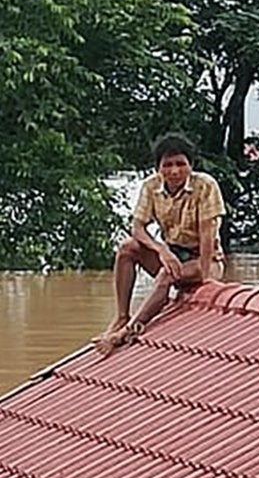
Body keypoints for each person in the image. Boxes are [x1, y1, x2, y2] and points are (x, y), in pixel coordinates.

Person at [93, 133, 227, 353]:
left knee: (167, 275)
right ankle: (121, 316)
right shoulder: (151, 186)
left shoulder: (205, 186)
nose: (175, 171)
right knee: (127, 248)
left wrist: (204, 276)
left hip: (204, 259)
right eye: (168, 165)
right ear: (158, 168)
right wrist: (161, 250)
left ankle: (127, 331)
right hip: (172, 254)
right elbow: (137, 227)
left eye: (181, 164)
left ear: (190, 166)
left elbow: (207, 236)